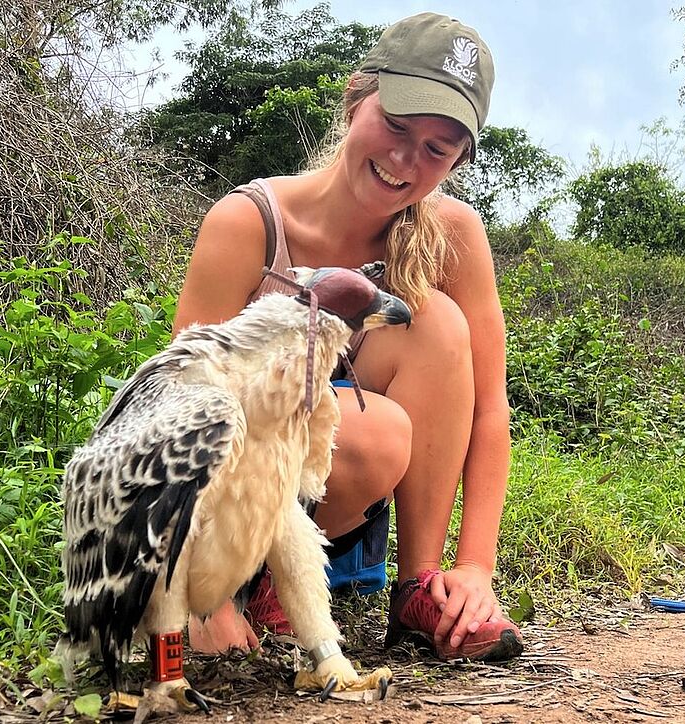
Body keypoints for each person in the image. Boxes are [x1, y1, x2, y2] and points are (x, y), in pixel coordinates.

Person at [172, 11, 523, 662]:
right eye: (395, 126)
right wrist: (199, 594)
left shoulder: (452, 236)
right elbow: (177, 413)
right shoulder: (249, 224)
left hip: (330, 501)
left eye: (436, 149)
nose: (404, 159)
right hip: (223, 510)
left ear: (455, 160)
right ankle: (239, 584)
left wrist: (474, 566)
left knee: (436, 321)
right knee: (374, 429)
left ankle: (420, 591)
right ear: (356, 98)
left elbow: (486, 410)